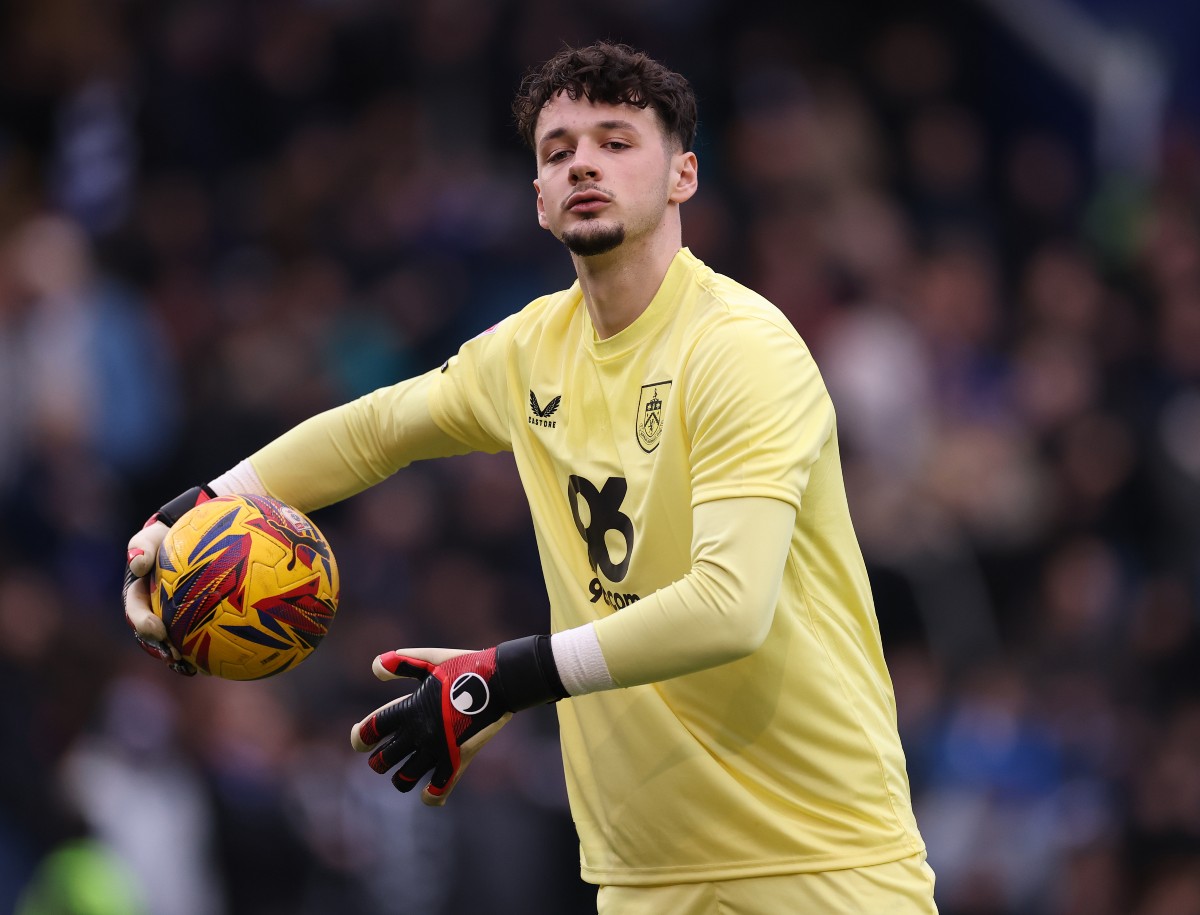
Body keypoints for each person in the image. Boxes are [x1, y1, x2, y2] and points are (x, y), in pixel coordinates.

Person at [124, 41, 938, 914]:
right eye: (559, 151)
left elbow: (729, 605)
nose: (584, 161)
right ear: (541, 203)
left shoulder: (739, 346)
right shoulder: (529, 349)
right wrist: (198, 507)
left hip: (821, 861)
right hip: (640, 876)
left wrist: (502, 678)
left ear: (683, 176)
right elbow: (378, 430)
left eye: (617, 141)